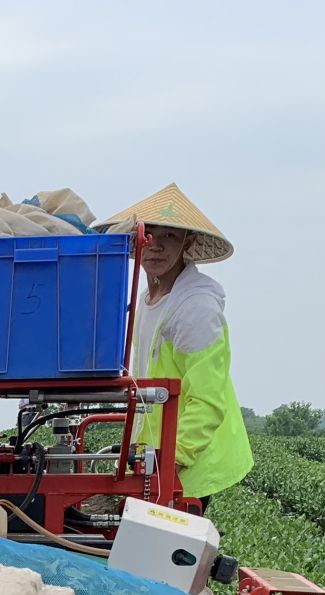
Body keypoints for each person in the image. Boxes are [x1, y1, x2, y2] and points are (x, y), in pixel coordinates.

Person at [99, 182, 252, 506]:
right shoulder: (150, 298)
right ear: (138, 239)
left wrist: (170, 465)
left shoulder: (195, 307)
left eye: (169, 235)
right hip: (158, 457)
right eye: (150, 234)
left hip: (186, 466)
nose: (156, 246)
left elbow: (207, 400)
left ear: (188, 242)